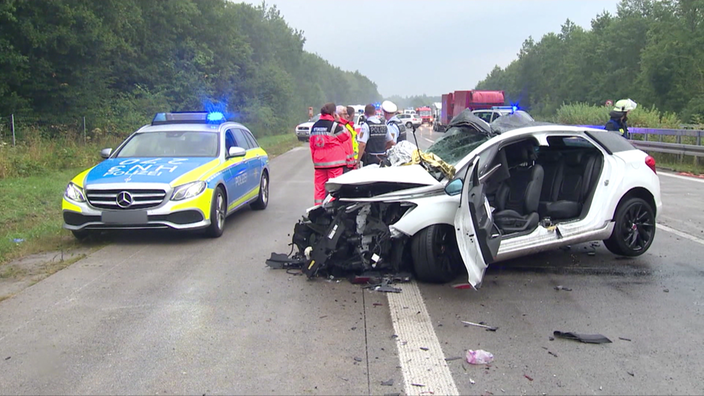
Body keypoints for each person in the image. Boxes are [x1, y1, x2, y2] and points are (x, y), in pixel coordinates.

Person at [310, 102, 350, 205]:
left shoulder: (315, 126)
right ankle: (332, 209)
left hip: (319, 163)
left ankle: (317, 210)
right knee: (334, 188)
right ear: (333, 113)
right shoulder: (335, 126)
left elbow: (312, 146)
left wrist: (315, 160)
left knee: (319, 189)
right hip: (335, 163)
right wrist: (339, 121)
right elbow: (346, 135)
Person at [335, 105, 356, 172]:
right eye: (345, 114)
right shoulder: (339, 128)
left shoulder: (347, 126)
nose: (347, 116)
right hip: (344, 165)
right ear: (338, 115)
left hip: (350, 163)